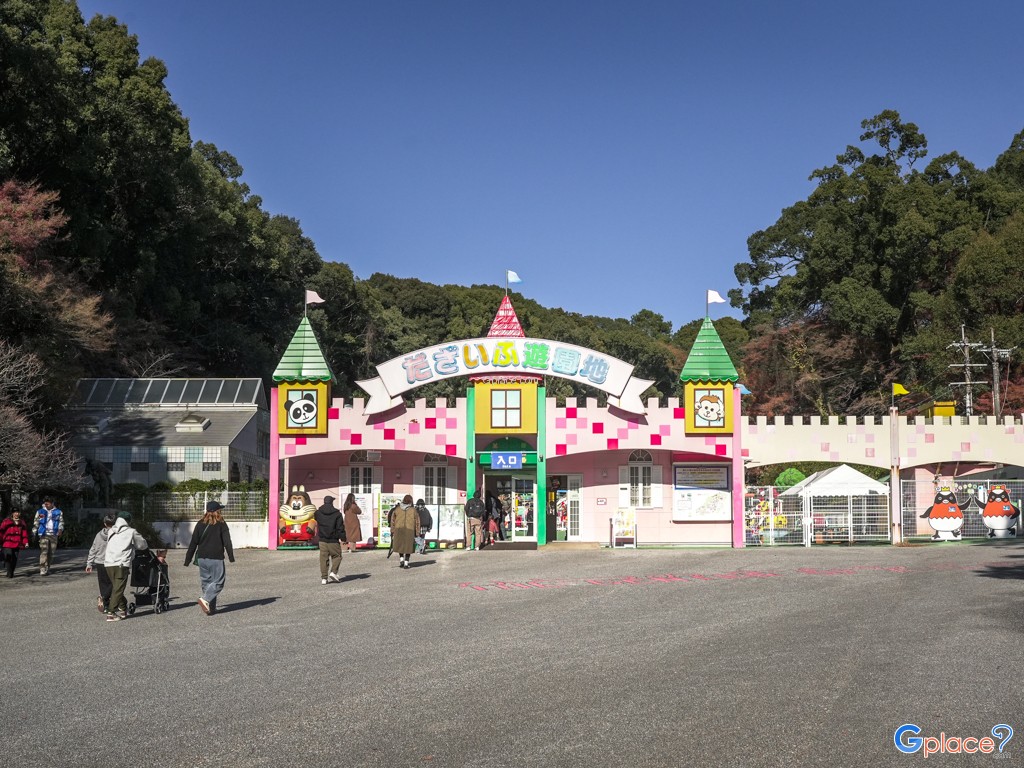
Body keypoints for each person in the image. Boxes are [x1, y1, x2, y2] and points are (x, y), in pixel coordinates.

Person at [184, 501, 235, 615]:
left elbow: (193, 542)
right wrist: (231, 556)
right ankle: (205, 599)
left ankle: (211, 608)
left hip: (202, 558)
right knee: (219, 582)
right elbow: (227, 541)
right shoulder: (221, 523)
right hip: (216, 558)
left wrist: (188, 559)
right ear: (217, 511)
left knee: (207, 582)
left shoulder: (200, 523)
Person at [103, 513, 149, 621]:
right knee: (118, 589)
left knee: (117, 588)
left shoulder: (111, 531)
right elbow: (142, 545)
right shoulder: (131, 531)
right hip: (121, 564)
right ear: (128, 521)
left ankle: (123, 608)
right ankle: (111, 612)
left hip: (109, 563)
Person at [85, 513, 116, 612]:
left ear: (104, 523)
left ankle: (105, 605)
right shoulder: (117, 534)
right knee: (114, 583)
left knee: (103, 583)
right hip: (112, 562)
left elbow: (93, 549)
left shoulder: (99, 534)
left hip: (100, 562)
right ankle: (104, 598)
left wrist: (89, 563)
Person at [314, 495, 345, 584]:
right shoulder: (337, 514)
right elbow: (340, 527)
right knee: (337, 556)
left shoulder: (318, 513)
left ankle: (324, 578)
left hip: (322, 540)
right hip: (333, 540)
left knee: (323, 559)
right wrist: (343, 537)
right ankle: (333, 572)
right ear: (331, 502)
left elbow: (315, 518)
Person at [33, 497, 63, 575]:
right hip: (43, 534)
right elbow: (36, 522)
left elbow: (61, 522)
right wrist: (34, 532)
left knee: (51, 553)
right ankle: (42, 568)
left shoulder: (58, 512)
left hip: (54, 534)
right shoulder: (40, 511)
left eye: (48, 503)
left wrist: (60, 529)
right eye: (45, 503)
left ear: (52, 503)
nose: (46, 505)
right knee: (44, 551)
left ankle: (47, 567)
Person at [390, 494, 418, 569]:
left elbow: (392, 520)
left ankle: (401, 560)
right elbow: (417, 522)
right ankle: (406, 563)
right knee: (408, 547)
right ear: (411, 501)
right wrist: (417, 532)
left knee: (400, 546)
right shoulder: (413, 510)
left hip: (399, 529)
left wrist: (392, 530)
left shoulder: (397, 509)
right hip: (410, 530)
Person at [1, 510, 30, 578]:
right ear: (12, 513)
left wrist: (26, 542)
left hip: (17, 543)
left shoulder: (22, 523)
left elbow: (24, 534)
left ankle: (11, 572)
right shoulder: (6, 521)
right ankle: (9, 572)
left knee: (14, 559)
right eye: (15, 512)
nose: (16, 514)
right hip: (7, 543)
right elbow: (1, 531)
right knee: (8, 557)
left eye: (18, 512)